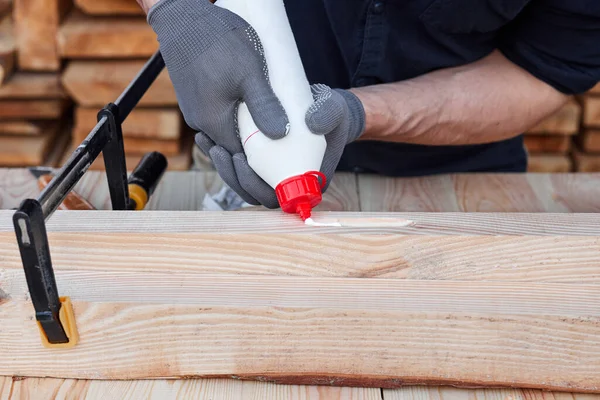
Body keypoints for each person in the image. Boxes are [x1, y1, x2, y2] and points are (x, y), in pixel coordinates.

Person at [138, 0, 600, 208]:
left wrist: (359, 113)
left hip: (458, 177)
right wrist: (175, 10)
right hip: (252, 142)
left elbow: (540, 70)